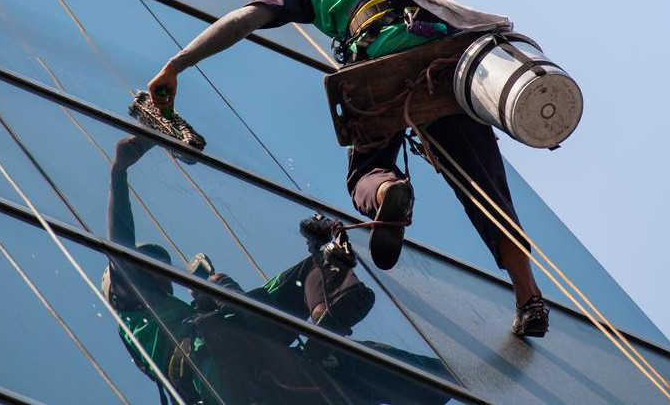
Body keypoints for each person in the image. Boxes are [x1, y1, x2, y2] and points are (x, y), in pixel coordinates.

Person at [148, 0, 549, 338]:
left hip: (381, 67)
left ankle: (387, 191)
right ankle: (528, 297)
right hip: (449, 66)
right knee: (487, 191)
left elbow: (244, 20)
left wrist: (176, 65)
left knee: (366, 172)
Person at [105, 135, 448, 404]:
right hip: (222, 359)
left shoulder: (176, 317)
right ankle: (328, 314)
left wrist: (216, 296)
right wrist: (118, 172)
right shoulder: (133, 308)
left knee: (361, 359)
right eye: (152, 265)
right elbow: (119, 246)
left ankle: (328, 310)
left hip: (246, 361)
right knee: (267, 306)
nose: (161, 272)